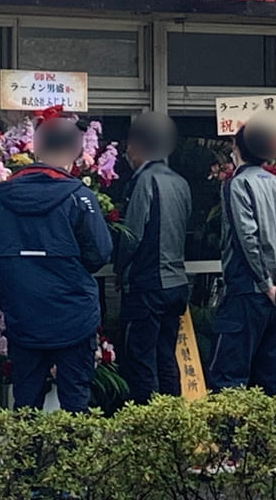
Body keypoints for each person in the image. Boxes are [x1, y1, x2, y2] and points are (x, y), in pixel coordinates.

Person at [0, 116, 113, 412]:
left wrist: (11, 299)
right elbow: (100, 254)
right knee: (75, 402)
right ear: (74, 152)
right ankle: (74, 457)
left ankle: (29, 458)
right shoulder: (79, 197)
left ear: (36, 149)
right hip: (74, 316)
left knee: (26, 403)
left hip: (23, 316)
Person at [209, 112, 276, 394]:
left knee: (229, 378)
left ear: (237, 148)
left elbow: (246, 238)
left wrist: (265, 283)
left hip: (246, 291)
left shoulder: (236, 185)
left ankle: (232, 439)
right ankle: (272, 438)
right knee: (271, 378)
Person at [115, 112, 192, 402]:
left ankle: (146, 428)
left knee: (140, 360)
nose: (126, 155)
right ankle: (173, 418)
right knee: (166, 356)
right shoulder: (181, 182)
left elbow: (131, 234)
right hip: (176, 284)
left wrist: (120, 271)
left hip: (148, 284)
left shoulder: (144, 182)